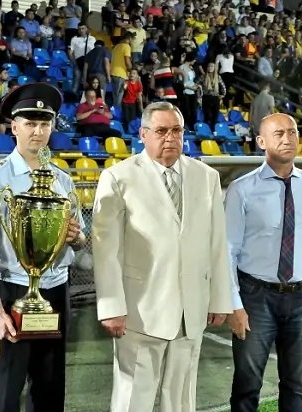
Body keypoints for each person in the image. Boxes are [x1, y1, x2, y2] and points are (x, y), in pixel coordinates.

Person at [92, 101, 233, 412]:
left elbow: (217, 243)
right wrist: (111, 307)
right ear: (143, 134)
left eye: (176, 131)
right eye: (161, 131)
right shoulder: (118, 177)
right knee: (133, 400)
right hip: (139, 310)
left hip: (191, 310)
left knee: (181, 400)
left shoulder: (207, 176)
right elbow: (106, 250)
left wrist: (220, 299)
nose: (170, 137)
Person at [0, 82, 87, 412]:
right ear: (14, 127)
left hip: (55, 290)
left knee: (50, 388)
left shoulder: (62, 179)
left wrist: (75, 237)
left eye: (44, 124)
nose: (38, 131)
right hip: (11, 289)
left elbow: (82, 239)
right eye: (29, 123)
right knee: (8, 389)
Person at [224, 113, 302, 412]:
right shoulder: (241, 189)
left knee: (297, 384)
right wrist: (234, 304)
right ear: (261, 142)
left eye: (292, 132)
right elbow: (228, 251)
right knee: (247, 384)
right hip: (255, 297)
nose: (288, 138)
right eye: (279, 134)